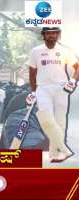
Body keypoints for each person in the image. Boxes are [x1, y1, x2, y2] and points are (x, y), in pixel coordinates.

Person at [26, 27, 79, 162]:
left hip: (61, 88)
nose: (51, 35)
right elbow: (32, 73)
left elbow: (77, 67)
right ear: (44, 35)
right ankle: (64, 149)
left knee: (60, 121)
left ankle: (55, 153)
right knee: (46, 120)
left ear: (58, 35)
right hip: (43, 89)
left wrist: (73, 80)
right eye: (48, 33)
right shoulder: (36, 51)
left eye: (54, 33)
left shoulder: (64, 51)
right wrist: (33, 91)